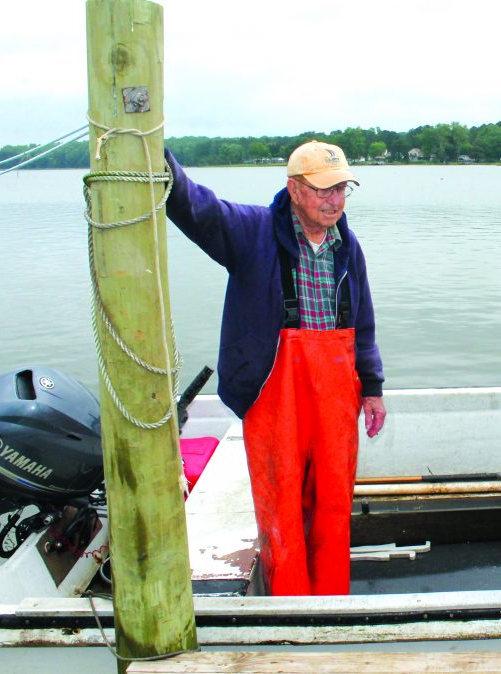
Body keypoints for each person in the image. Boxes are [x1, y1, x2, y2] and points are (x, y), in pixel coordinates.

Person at [164, 140, 386, 595]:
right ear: (295, 189)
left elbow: (362, 321)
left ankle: (330, 600)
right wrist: (153, 151)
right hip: (273, 392)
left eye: (341, 189)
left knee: (332, 501)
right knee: (280, 505)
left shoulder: (348, 244)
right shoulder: (253, 231)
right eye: (323, 190)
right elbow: (196, 208)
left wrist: (373, 387)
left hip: (336, 395)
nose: (334, 200)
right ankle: (289, 604)